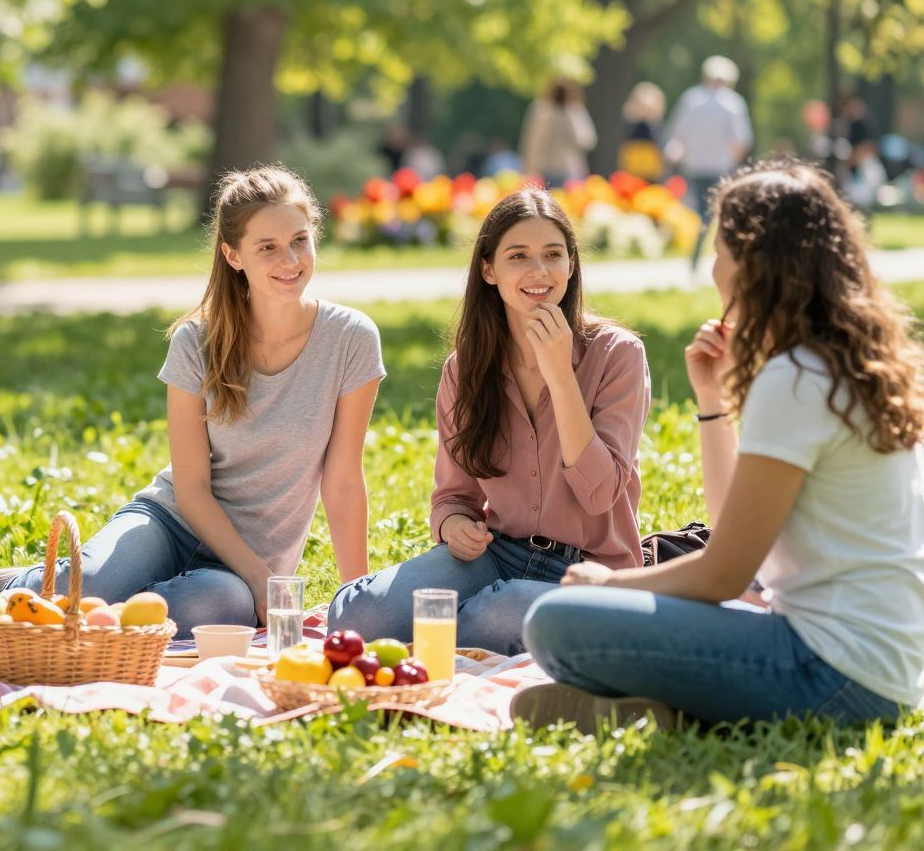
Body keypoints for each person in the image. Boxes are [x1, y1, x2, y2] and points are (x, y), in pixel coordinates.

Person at [519, 161, 924, 732]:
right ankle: (667, 712)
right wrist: (713, 400)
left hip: (831, 676)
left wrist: (613, 582)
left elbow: (724, 575)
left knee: (555, 622)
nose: (714, 268)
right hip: (880, 673)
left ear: (754, 264)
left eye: (719, 251)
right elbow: (731, 524)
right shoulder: (842, 365)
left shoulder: (796, 379)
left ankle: (671, 710)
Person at [0, 165, 385, 638]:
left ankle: (99, 625)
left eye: (300, 240)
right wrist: (262, 580)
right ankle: (19, 588)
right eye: (267, 247)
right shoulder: (195, 341)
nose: (290, 259)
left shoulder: (352, 339)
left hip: (247, 559)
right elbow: (192, 488)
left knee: (215, 606)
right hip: (170, 520)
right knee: (85, 584)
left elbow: (343, 483)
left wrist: (356, 606)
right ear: (233, 254)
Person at [329, 188, 650, 654]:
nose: (539, 272)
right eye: (518, 256)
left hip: (589, 569)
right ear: (489, 270)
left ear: (571, 264)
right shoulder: (466, 369)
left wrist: (560, 376)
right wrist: (454, 524)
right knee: (359, 614)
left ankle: (448, 631)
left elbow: (600, 494)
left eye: (552, 255)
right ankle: (456, 631)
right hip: (496, 553)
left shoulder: (617, 354)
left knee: (499, 613)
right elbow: (453, 497)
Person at [662, 55, 752, 270]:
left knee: (702, 212)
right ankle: (723, 257)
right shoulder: (732, 103)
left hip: (695, 166)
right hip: (721, 167)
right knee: (720, 213)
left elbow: (675, 137)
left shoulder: (690, 100)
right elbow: (741, 141)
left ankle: (697, 255)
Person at [519, 79, 596, 188]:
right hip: (543, 170)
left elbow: (586, 141)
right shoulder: (542, 111)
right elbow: (533, 141)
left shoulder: (575, 112)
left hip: (567, 171)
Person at [618, 82, 666, 180]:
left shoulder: (654, 125)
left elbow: (659, 143)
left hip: (651, 168)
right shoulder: (632, 122)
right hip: (634, 166)